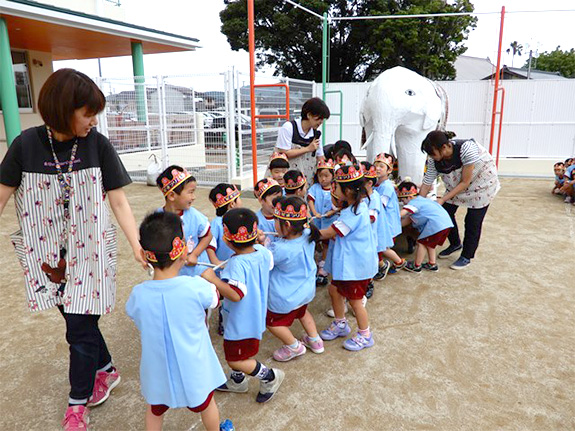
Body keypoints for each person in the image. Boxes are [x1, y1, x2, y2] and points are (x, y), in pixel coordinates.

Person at [0, 68, 145, 430]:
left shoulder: (97, 144)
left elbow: (119, 202)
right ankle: (107, 369)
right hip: (48, 256)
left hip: (91, 253)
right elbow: (1, 195)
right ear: (64, 109)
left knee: (78, 330)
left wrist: (136, 244)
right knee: (78, 322)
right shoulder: (25, 145)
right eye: (87, 112)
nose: (94, 120)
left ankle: (77, 404)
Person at [125, 211, 235, 431]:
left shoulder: (138, 294)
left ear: (145, 256)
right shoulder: (195, 286)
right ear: (182, 250)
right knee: (206, 403)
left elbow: (135, 314)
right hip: (193, 365)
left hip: (157, 368)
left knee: (155, 409)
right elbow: (215, 299)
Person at [213, 208, 285, 403]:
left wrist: (214, 279)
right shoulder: (261, 251)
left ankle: (270, 376)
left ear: (227, 240)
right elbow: (269, 264)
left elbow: (236, 294)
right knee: (239, 353)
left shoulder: (236, 264)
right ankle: (238, 381)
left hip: (241, 322)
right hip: (253, 316)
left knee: (236, 359)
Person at [419, 131, 500, 270]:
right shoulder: (434, 159)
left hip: (481, 185)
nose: (431, 157)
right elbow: (427, 182)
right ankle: (455, 243)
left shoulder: (467, 149)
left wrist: (443, 198)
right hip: (457, 185)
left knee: (472, 221)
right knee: (444, 213)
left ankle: (467, 256)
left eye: (433, 153)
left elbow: (465, 181)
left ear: (444, 147)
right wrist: (417, 204)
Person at [318, 165, 378, 351]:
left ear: (349, 190)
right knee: (334, 290)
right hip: (349, 264)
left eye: (337, 186)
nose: (333, 189)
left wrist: (305, 233)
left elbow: (329, 232)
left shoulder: (354, 212)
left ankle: (365, 334)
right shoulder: (353, 207)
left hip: (356, 267)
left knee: (355, 300)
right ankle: (340, 323)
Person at [266, 196, 324, 361]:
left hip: (285, 296)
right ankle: (315, 341)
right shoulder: (307, 234)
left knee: (273, 323)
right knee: (303, 313)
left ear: (287, 225)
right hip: (304, 291)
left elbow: (265, 259)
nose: (274, 224)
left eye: (276, 220)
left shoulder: (280, 249)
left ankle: (293, 346)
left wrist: (262, 243)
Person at [156, 166, 212, 277]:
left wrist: (195, 254)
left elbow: (207, 236)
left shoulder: (194, 215)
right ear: (172, 195)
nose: (194, 197)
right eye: (190, 192)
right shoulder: (157, 218)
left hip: (196, 271)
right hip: (173, 273)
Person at [397, 181, 453, 273]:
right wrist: (397, 226)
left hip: (436, 225)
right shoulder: (422, 200)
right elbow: (409, 219)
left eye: (403, 200)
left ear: (409, 197)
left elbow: (403, 213)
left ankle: (416, 266)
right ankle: (432, 264)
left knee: (421, 243)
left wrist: (390, 220)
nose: (403, 203)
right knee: (430, 244)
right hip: (445, 224)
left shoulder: (413, 203)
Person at [275, 97, 330, 181]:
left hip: (305, 181)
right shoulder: (289, 128)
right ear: (308, 115)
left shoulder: (316, 134)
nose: (321, 122)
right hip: (286, 180)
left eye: (323, 119)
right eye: (319, 118)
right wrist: (308, 149)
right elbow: (284, 153)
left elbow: (320, 157)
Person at [361, 162, 392, 296]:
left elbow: (371, 217)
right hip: (364, 235)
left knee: (371, 261)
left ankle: (369, 284)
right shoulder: (363, 196)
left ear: (369, 183)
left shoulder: (374, 198)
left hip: (371, 236)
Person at [373, 153, 406, 273]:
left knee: (382, 246)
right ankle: (381, 264)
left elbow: (380, 204)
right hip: (383, 223)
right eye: (376, 165)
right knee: (379, 245)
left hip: (388, 224)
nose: (377, 168)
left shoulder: (386, 186)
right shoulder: (378, 184)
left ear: (389, 170)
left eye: (382, 166)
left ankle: (398, 262)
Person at [307, 159, 338, 285]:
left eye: (326, 175)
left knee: (327, 243)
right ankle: (321, 261)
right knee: (317, 241)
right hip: (318, 220)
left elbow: (340, 204)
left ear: (333, 175)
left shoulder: (335, 188)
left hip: (330, 220)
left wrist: (333, 211)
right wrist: (314, 212)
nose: (323, 179)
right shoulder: (315, 188)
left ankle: (323, 266)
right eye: (320, 176)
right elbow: (310, 201)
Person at [207, 183, 242, 267]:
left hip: (239, 266)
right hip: (223, 270)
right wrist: (216, 262)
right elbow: (209, 244)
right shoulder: (217, 223)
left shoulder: (241, 220)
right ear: (232, 204)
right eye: (239, 198)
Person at [254, 178, 283, 243]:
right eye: (273, 200)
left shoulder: (284, 216)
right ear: (261, 200)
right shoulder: (256, 221)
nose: (277, 203)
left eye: (279, 199)